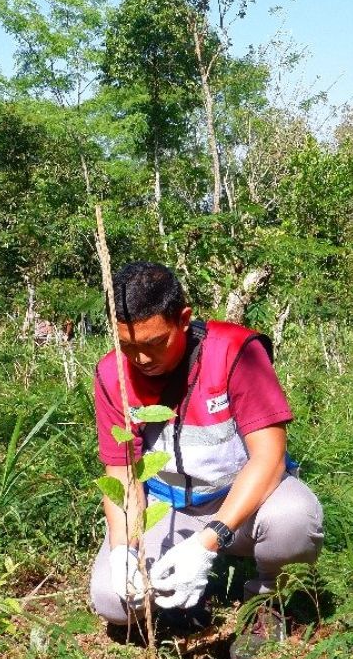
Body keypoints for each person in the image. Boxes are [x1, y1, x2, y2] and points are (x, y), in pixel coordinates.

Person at [89, 262, 323, 639]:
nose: (142, 360)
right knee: (112, 600)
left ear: (183, 319)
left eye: (153, 343)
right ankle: (181, 603)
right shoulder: (112, 375)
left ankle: (267, 603)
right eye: (128, 346)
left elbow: (270, 458)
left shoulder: (234, 353)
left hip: (246, 504)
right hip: (169, 510)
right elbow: (123, 475)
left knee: (294, 520)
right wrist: (123, 550)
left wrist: (208, 542)